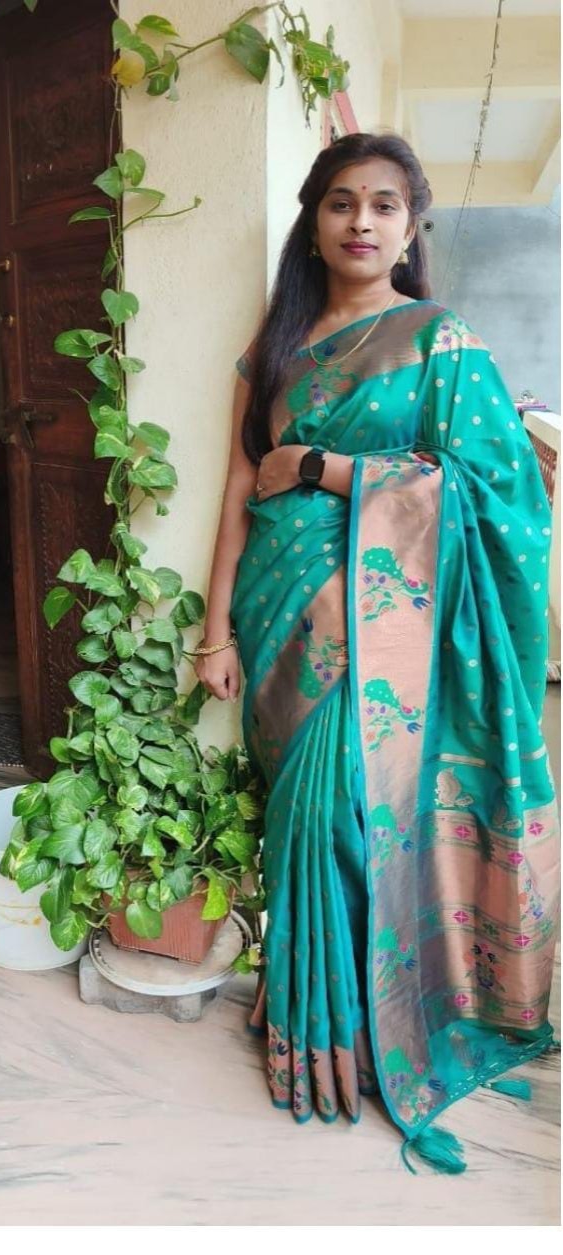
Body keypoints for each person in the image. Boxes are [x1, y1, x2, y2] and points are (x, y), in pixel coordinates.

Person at [192, 132, 560, 1175]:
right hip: (276, 612)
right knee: (300, 821)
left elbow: (495, 489)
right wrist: (215, 630)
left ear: (409, 226)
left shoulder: (439, 340)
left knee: (349, 816)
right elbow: (238, 487)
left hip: (380, 621)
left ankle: (359, 1029)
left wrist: (325, 467)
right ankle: (314, 1017)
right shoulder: (274, 346)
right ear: (313, 220)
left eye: (384, 204)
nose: (361, 221)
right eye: (341, 202)